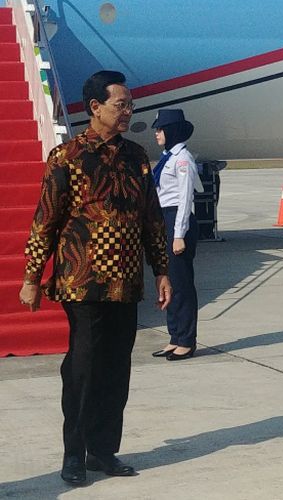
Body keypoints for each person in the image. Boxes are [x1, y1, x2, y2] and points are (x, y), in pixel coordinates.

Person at [18, 70, 171, 486]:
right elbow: (45, 221)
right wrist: (33, 275)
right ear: (95, 108)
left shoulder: (136, 157)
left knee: (116, 368)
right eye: (121, 105)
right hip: (80, 281)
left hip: (124, 282)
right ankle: (73, 453)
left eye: (130, 105)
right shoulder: (66, 157)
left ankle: (103, 450)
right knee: (83, 368)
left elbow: (152, 220)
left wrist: (161, 270)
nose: (128, 112)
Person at [150, 109, 202, 361]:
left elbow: (184, 199)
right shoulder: (167, 158)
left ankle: (187, 340)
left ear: (171, 131)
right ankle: (175, 336)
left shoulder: (183, 159)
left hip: (176, 221)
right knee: (167, 282)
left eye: (160, 128)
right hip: (164, 219)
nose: (157, 133)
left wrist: (179, 233)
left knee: (181, 284)